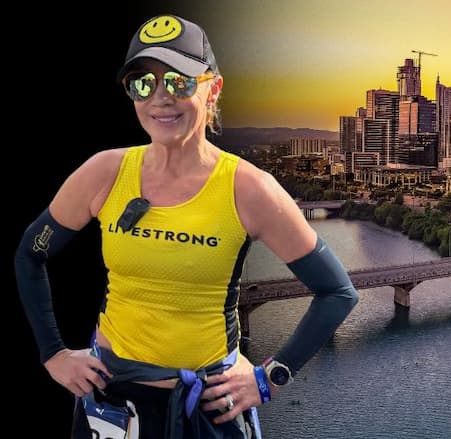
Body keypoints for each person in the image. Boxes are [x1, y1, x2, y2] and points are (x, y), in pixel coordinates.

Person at [14, 14, 359, 438]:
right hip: (113, 405)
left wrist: (270, 378)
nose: (160, 98)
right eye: (142, 83)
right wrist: (53, 355)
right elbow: (32, 252)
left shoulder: (249, 189)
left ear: (213, 88)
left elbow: (337, 292)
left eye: (178, 81)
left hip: (207, 409)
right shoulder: (105, 172)